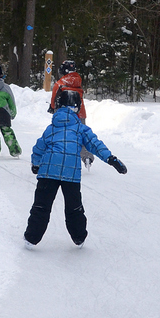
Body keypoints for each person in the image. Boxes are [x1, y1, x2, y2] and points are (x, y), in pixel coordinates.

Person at [25, 89, 127, 249]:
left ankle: (31, 238)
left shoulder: (51, 128)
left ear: (58, 106)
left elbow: (38, 148)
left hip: (48, 173)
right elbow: (95, 145)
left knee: (41, 206)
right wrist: (110, 158)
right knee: (74, 207)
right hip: (70, 174)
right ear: (77, 108)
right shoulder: (81, 128)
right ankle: (79, 237)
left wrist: (36, 164)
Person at [49, 59, 93, 169]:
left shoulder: (59, 84)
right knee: (82, 135)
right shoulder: (78, 81)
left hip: (63, 114)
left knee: (60, 135)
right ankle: (87, 156)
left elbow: (54, 101)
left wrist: (53, 108)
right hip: (79, 113)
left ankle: (61, 159)